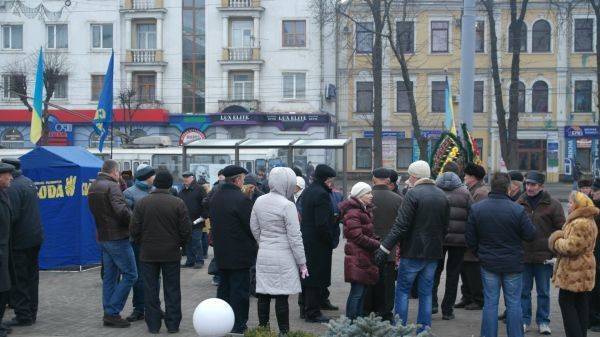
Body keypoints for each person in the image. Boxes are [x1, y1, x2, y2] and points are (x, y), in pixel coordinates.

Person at [374, 160, 449, 332]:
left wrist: (384, 248)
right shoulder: (441, 195)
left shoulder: (412, 194)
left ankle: (399, 330)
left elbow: (401, 226)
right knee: (426, 293)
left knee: (402, 291)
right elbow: (445, 227)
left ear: (414, 176)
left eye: (409, 175)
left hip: (412, 252)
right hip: (433, 253)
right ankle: (424, 330)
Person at [466, 172, 536, 337]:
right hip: (513, 262)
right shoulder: (518, 210)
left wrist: (480, 253)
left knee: (490, 303)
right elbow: (531, 235)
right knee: (513, 303)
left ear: (491, 186)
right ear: (508, 189)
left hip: (488, 262)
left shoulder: (477, 209)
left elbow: (470, 238)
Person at [130, 170, 192, 334]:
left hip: (148, 253)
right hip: (171, 253)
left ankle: (153, 325)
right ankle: (172, 325)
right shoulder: (178, 203)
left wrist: (141, 243)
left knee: (150, 290)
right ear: (171, 185)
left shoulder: (143, 203)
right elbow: (186, 230)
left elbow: (134, 229)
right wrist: (179, 244)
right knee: (172, 289)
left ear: (155, 184)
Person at [250, 167, 307, 336]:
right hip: (284, 256)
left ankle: (263, 330)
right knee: (282, 296)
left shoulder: (259, 201)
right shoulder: (288, 205)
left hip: (264, 253)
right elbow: (295, 237)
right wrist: (302, 262)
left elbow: (254, 226)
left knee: (263, 294)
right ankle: (284, 332)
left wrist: (264, 242)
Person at [88, 159, 136, 328]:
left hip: (103, 237)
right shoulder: (112, 186)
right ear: (115, 172)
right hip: (117, 237)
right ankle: (112, 312)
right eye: (118, 173)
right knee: (130, 274)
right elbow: (122, 211)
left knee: (110, 277)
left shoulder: (94, 186)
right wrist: (135, 220)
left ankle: (108, 311)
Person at [517, 171, 565, 335]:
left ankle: (543, 321)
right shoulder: (520, 202)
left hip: (544, 256)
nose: (529, 187)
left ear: (541, 186)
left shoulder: (553, 204)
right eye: (527, 184)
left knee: (543, 292)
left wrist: (554, 249)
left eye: (533, 184)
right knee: (523, 291)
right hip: (523, 255)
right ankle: (524, 320)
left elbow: (561, 230)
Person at [210, 165, 256, 333]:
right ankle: (238, 325)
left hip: (222, 254)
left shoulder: (216, 197)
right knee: (240, 293)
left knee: (224, 290)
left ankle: (221, 323)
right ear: (237, 180)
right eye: (242, 178)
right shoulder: (241, 199)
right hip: (240, 255)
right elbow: (251, 226)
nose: (243, 181)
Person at [1, 158, 43, 328]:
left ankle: (24, 315)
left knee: (20, 279)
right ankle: (32, 311)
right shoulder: (28, 182)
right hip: (35, 236)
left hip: (19, 240)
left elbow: (12, 216)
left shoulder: (12, 188)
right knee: (32, 277)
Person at [549, 191, 598, 337]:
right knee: (580, 303)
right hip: (583, 268)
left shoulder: (580, 223)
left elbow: (572, 247)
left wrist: (556, 240)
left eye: (571, 202)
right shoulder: (588, 220)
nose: (568, 205)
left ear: (578, 205)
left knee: (566, 302)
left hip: (575, 269)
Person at [362, 168, 403, 321]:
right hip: (389, 248)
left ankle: (366, 310)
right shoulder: (398, 199)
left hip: (366, 247)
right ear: (388, 180)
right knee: (387, 283)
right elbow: (402, 224)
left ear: (373, 179)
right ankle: (385, 312)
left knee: (368, 280)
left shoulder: (364, 197)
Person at [432, 170, 473, 321]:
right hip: (459, 241)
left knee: (434, 271)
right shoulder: (465, 193)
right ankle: (447, 310)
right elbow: (472, 215)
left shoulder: (435, 192)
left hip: (438, 239)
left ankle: (432, 304)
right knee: (453, 275)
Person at [299, 164, 337, 323]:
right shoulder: (321, 194)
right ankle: (313, 312)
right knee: (316, 277)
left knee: (307, 275)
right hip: (318, 242)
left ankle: (304, 308)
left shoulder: (308, 190)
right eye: (331, 180)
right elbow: (322, 224)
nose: (332, 183)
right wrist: (331, 239)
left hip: (307, 239)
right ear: (327, 179)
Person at [340, 182, 380, 320]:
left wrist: (375, 238)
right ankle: (351, 322)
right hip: (357, 256)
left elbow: (365, 232)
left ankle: (356, 321)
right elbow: (356, 235)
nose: (371, 195)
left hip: (363, 255)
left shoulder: (363, 209)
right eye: (368, 193)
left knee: (361, 291)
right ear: (360, 195)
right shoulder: (353, 211)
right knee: (357, 292)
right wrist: (376, 243)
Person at [122, 164, 156, 322]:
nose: (155, 177)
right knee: (139, 276)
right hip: (138, 242)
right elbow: (128, 218)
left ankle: (153, 307)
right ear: (148, 177)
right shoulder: (129, 193)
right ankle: (139, 308)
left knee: (156, 276)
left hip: (155, 241)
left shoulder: (155, 191)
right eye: (153, 175)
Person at [456, 163, 488, 311]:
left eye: (466, 175)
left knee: (473, 269)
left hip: (474, 237)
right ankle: (467, 296)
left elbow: (477, 215)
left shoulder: (481, 192)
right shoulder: (472, 189)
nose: (464, 177)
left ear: (473, 177)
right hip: (467, 236)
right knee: (465, 268)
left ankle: (478, 298)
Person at [179, 171, 208, 269]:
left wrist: (204, 216)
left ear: (193, 178)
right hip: (185, 221)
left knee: (196, 241)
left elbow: (205, 203)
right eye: (184, 177)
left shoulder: (199, 189)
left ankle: (199, 260)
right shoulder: (182, 190)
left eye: (187, 177)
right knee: (187, 243)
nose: (185, 179)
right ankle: (190, 261)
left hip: (197, 221)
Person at [0, 163, 15, 337]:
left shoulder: (4, 194)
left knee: (4, 290)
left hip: (5, 250)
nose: (11, 177)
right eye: (8, 175)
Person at [589, 179, 600, 332]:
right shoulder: (591, 207)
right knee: (592, 287)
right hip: (592, 253)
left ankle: (597, 319)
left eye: (595, 191)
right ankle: (591, 318)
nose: (592, 192)